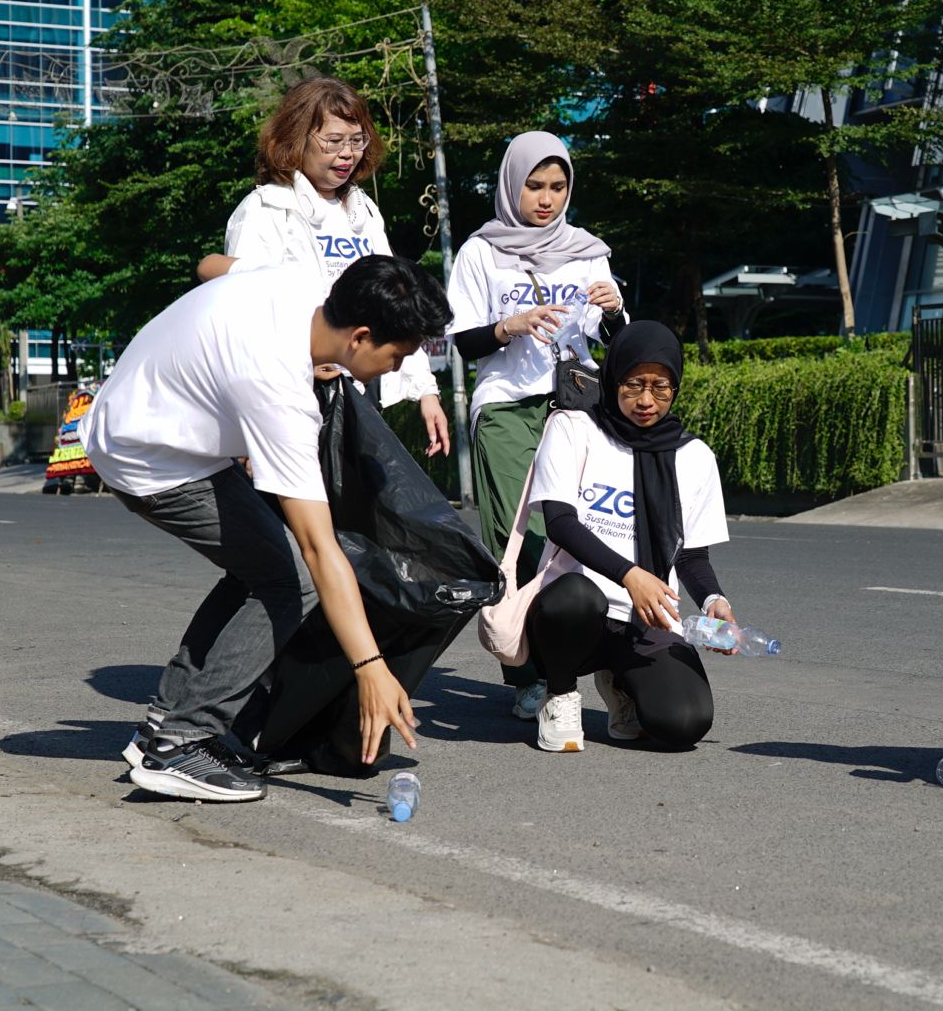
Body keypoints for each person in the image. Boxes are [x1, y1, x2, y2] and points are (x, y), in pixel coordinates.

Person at [82, 256, 452, 802]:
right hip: (147, 458)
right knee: (293, 577)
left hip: (143, 409)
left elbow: (212, 269)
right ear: (362, 335)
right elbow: (320, 549)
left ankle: (166, 719)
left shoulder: (308, 282)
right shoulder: (278, 393)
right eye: (397, 355)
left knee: (261, 558)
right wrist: (371, 668)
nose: (396, 369)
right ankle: (182, 741)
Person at [446, 130, 626, 720]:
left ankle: (572, 660)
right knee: (514, 535)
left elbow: (618, 340)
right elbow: (461, 340)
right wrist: (511, 325)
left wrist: (614, 310)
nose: (546, 198)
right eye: (534, 185)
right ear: (511, 184)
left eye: (558, 186)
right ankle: (524, 670)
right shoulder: (481, 251)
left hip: (577, 404)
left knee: (579, 529)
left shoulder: (587, 249)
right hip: (505, 405)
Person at [196, 77, 449, 457]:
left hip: (362, 396)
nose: (347, 153)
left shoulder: (363, 212)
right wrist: (300, 363)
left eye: (357, 140)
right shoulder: (265, 208)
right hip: (296, 398)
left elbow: (398, 303)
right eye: (333, 141)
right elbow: (243, 307)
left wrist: (425, 391)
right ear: (295, 138)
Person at [521, 321, 734, 753]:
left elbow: (691, 557)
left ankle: (621, 685)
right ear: (613, 377)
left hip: (648, 616)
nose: (645, 401)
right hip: (574, 615)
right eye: (633, 384)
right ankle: (559, 696)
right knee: (577, 596)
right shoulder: (573, 429)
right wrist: (629, 575)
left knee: (685, 723)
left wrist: (715, 602)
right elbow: (560, 522)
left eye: (661, 388)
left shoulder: (693, 456)